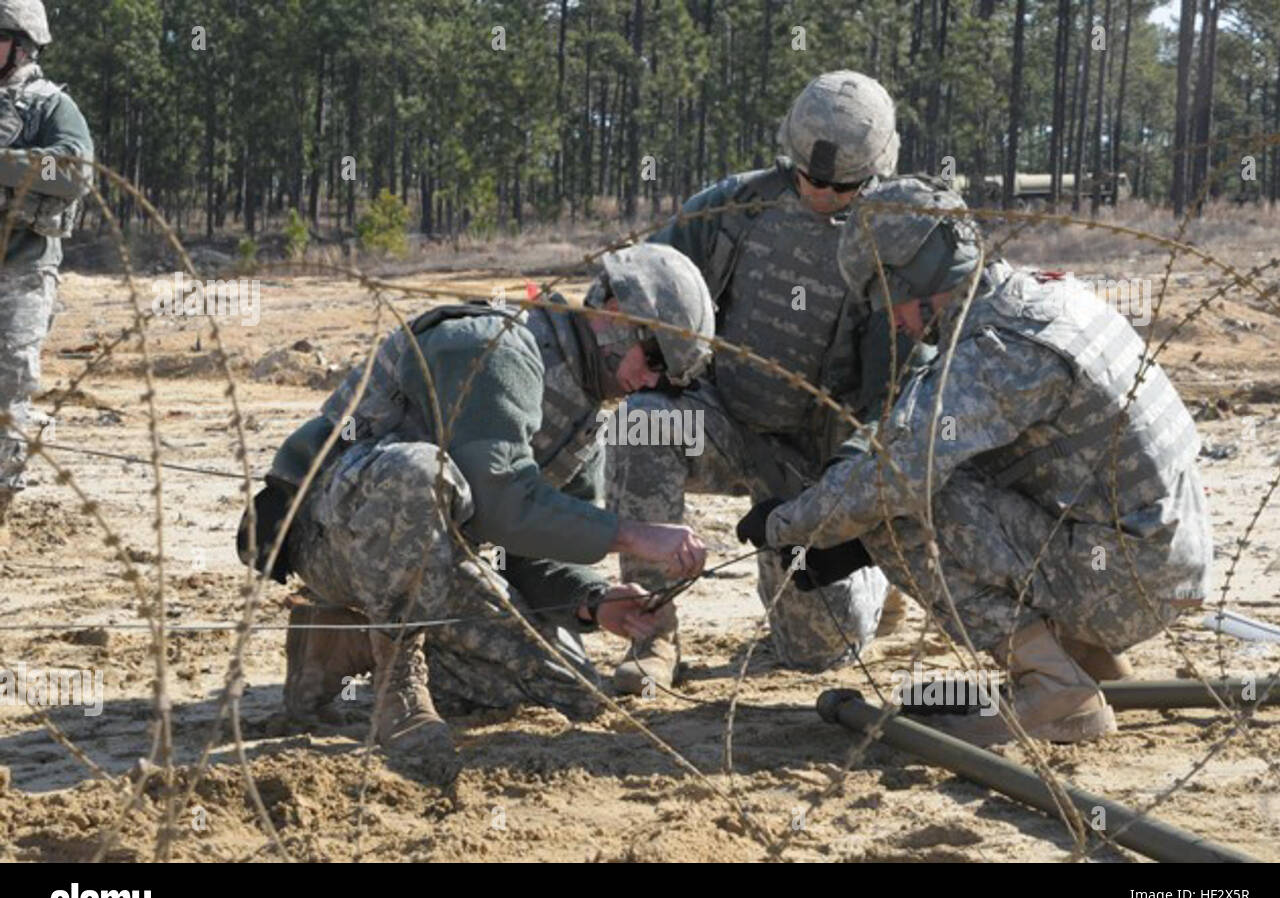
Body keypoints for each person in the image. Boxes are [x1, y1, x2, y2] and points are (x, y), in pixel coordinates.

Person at [739, 175, 1212, 745]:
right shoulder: (1044, 298)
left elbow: (891, 480)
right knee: (948, 474)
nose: (893, 323)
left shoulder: (992, 353)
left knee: (899, 510)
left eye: (887, 302)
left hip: (1125, 580)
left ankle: (1054, 688)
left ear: (913, 280)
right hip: (1157, 559)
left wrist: (786, 523)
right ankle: (1084, 660)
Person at [240, 244, 716, 780]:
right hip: (333, 536)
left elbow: (532, 548)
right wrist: (633, 536)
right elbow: (501, 500)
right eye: (653, 359)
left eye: (668, 378)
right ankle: (397, 687)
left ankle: (342, 646)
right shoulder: (496, 347)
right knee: (420, 471)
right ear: (611, 317)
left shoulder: (583, 416)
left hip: (431, 565)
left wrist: (593, 602)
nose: (651, 382)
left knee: (567, 688)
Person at [606, 70, 912, 693]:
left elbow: (909, 375)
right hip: (723, 417)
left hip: (818, 459)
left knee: (813, 651)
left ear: (875, 171)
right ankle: (653, 631)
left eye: (842, 185)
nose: (822, 192)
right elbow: (639, 281)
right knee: (641, 423)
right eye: (810, 177)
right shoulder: (732, 211)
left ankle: (874, 581)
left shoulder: (896, 239)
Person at [0, 0, 93, 542]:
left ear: (21, 43)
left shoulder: (49, 106)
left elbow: (75, 169)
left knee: (8, 384)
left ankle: (3, 500)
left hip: (22, 271)